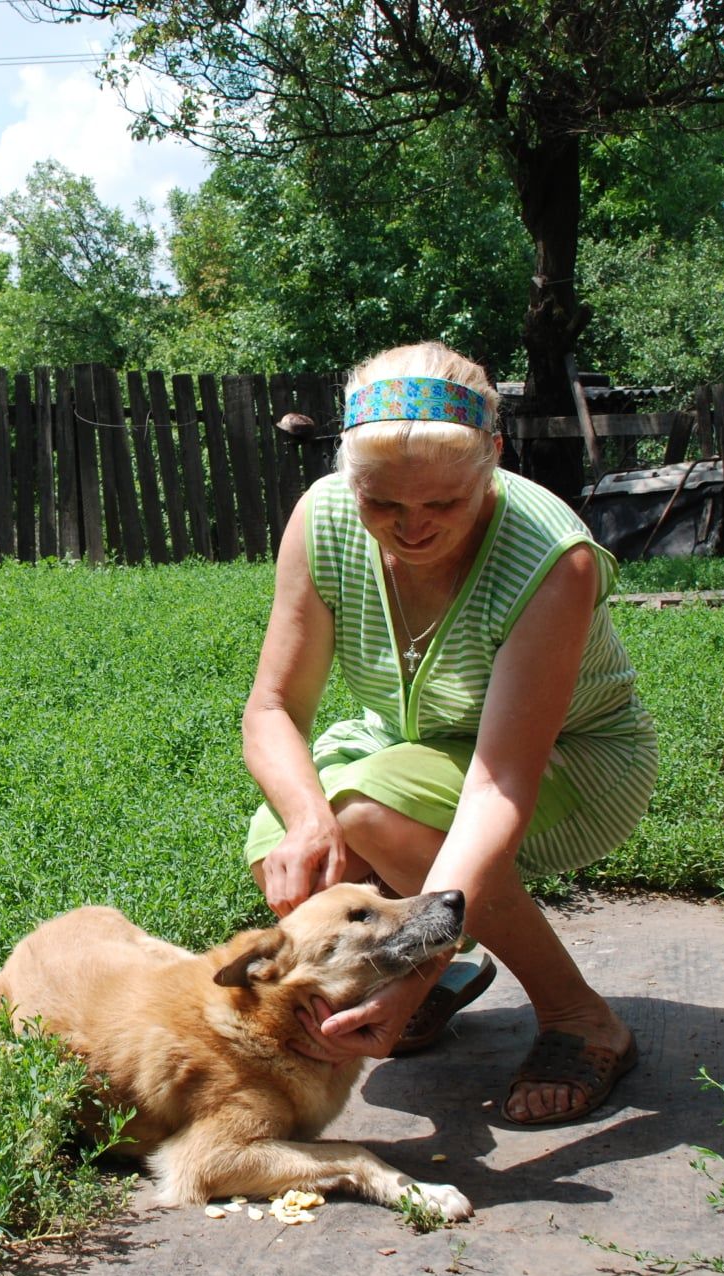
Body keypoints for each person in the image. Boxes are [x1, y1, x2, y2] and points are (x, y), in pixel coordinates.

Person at [240, 340, 657, 1125]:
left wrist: (415, 968)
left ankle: (579, 1018)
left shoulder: (549, 556)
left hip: (567, 763)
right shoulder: (323, 519)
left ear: (492, 461)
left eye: (443, 505)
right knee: (291, 849)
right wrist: (304, 818)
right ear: (348, 479)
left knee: (366, 812)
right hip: (411, 747)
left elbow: (499, 781)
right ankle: (444, 975)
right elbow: (271, 712)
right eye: (383, 505)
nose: (413, 529)